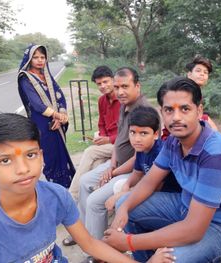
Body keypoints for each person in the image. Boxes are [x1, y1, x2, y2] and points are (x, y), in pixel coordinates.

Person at [104, 77, 221, 263]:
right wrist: (124, 208)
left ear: (199, 111)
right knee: (125, 204)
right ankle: (148, 259)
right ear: (162, 113)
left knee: (173, 260)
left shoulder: (217, 154)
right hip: (186, 206)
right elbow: (149, 181)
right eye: (169, 110)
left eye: (185, 109)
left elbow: (194, 230)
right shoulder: (173, 142)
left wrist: (129, 242)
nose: (176, 117)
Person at [0, 113, 175, 263]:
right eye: (5, 160)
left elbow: (89, 244)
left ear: (41, 156)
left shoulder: (56, 196)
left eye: (30, 155)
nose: (23, 169)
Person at [74, 67, 150, 262]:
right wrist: (111, 166)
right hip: (117, 164)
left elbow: (140, 157)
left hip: (134, 171)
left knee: (95, 201)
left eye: (125, 86)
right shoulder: (125, 107)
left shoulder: (144, 111)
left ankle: (99, 251)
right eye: (117, 87)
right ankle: (83, 234)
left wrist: (115, 171)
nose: (120, 92)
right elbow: (118, 143)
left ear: (137, 86)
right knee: (84, 181)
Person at [17, 44, 75, 188]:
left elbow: (59, 96)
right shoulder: (25, 78)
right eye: (35, 57)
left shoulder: (47, 77)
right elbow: (36, 104)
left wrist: (61, 115)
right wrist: (55, 114)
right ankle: (54, 187)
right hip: (41, 124)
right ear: (29, 59)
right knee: (49, 156)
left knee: (60, 152)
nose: (39, 60)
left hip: (56, 123)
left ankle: (65, 186)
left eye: (42, 57)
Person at [105, 106, 181, 211]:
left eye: (143, 133)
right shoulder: (141, 149)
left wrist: (123, 194)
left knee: (123, 201)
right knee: (120, 186)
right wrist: (127, 185)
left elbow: (155, 187)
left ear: (155, 134)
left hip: (167, 194)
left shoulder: (160, 152)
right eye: (132, 132)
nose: (137, 139)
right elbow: (137, 173)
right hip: (151, 188)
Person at [68, 66, 120, 203]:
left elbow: (127, 132)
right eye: (99, 84)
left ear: (113, 80)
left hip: (120, 143)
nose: (103, 86)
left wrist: (108, 139)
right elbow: (101, 123)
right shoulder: (102, 100)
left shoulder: (122, 100)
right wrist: (101, 137)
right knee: (97, 164)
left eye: (106, 82)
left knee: (90, 152)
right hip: (107, 143)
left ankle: (72, 196)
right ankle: (92, 196)